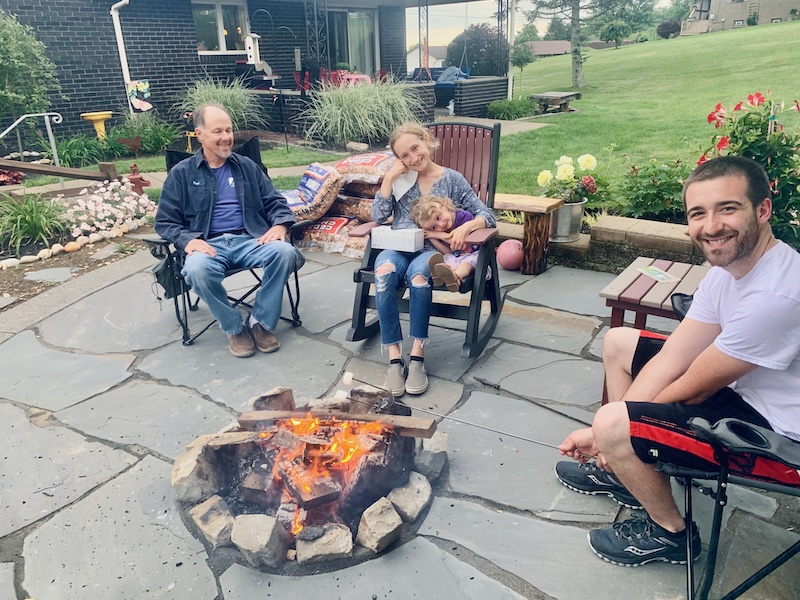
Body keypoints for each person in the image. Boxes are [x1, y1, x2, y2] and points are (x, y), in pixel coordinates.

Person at [555, 155, 800, 567]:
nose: (711, 226)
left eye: (728, 208)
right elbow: (674, 356)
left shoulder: (777, 294)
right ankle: (624, 468)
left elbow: (696, 386)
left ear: (762, 210)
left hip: (777, 434)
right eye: (698, 213)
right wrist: (617, 432)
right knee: (618, 342)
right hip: (743, 388)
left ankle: (671, 533)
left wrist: (611, 430)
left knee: (614, 423)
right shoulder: (728, 270)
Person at [155, 103, 299, 358]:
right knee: (197, 269)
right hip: (207, 244)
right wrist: (186, 241)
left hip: (250, 238)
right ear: (199, 134)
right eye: (218, 131)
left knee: (284, 252)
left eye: (229, 130)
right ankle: (234, 327)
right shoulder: (181, 174)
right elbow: (165, 222)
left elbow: (275, 202)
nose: (226, 138)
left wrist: (280, 224)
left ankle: (260, 323)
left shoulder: (246, 166)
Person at [372, 122, 496, 397]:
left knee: (418, 278)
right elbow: (378, 217)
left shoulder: (451, 179)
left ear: (426, 141)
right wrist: (389, 179)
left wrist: (466, 227)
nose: (413, 158)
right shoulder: (400, 180)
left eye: (415, 148)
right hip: (398, 245)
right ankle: (394, 358)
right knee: (383, 274)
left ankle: (417, 355)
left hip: (430, 251)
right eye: (404, 155)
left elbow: (486, 213)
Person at [411, 194, 479, 292]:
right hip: (457, 258)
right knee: (446, 261)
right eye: (434, 227)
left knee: (465, 264)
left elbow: (462, 244)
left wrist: (437, 234)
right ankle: (446, 277)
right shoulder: (443, 229)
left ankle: (456, 277)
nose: (441, 225)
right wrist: (431, 237)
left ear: (443, 205)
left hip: (475, 256)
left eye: (438, 218)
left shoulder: (464, 217)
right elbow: (449, 251)